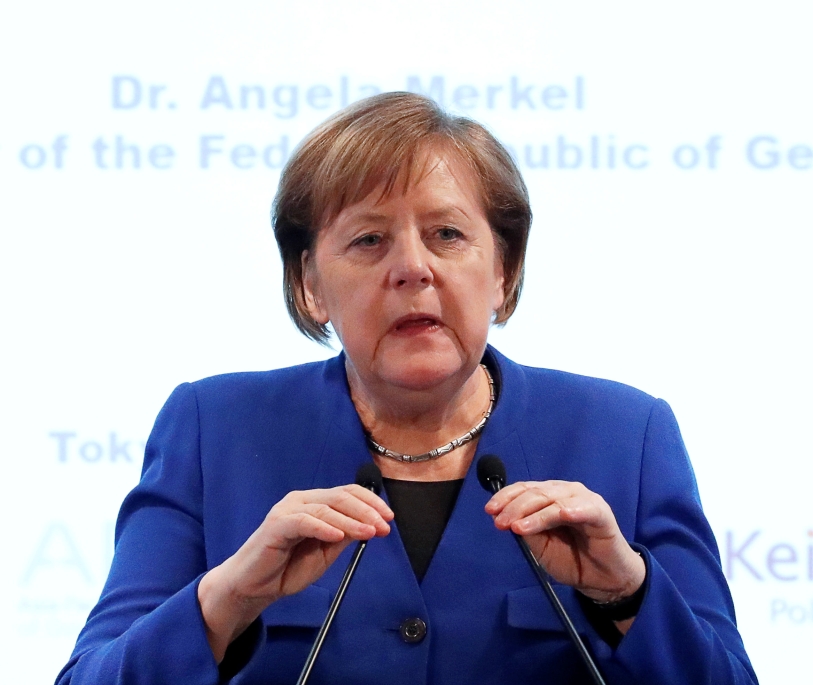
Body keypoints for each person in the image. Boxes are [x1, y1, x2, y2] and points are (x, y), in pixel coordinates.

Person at [56, 92, 757, 685]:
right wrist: (227, 599)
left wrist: (627, 592)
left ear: (503, 272)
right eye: (368, 240)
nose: (412, 268)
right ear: (309, 285)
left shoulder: (626, 436)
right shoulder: (214, 429)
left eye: (447, 234)